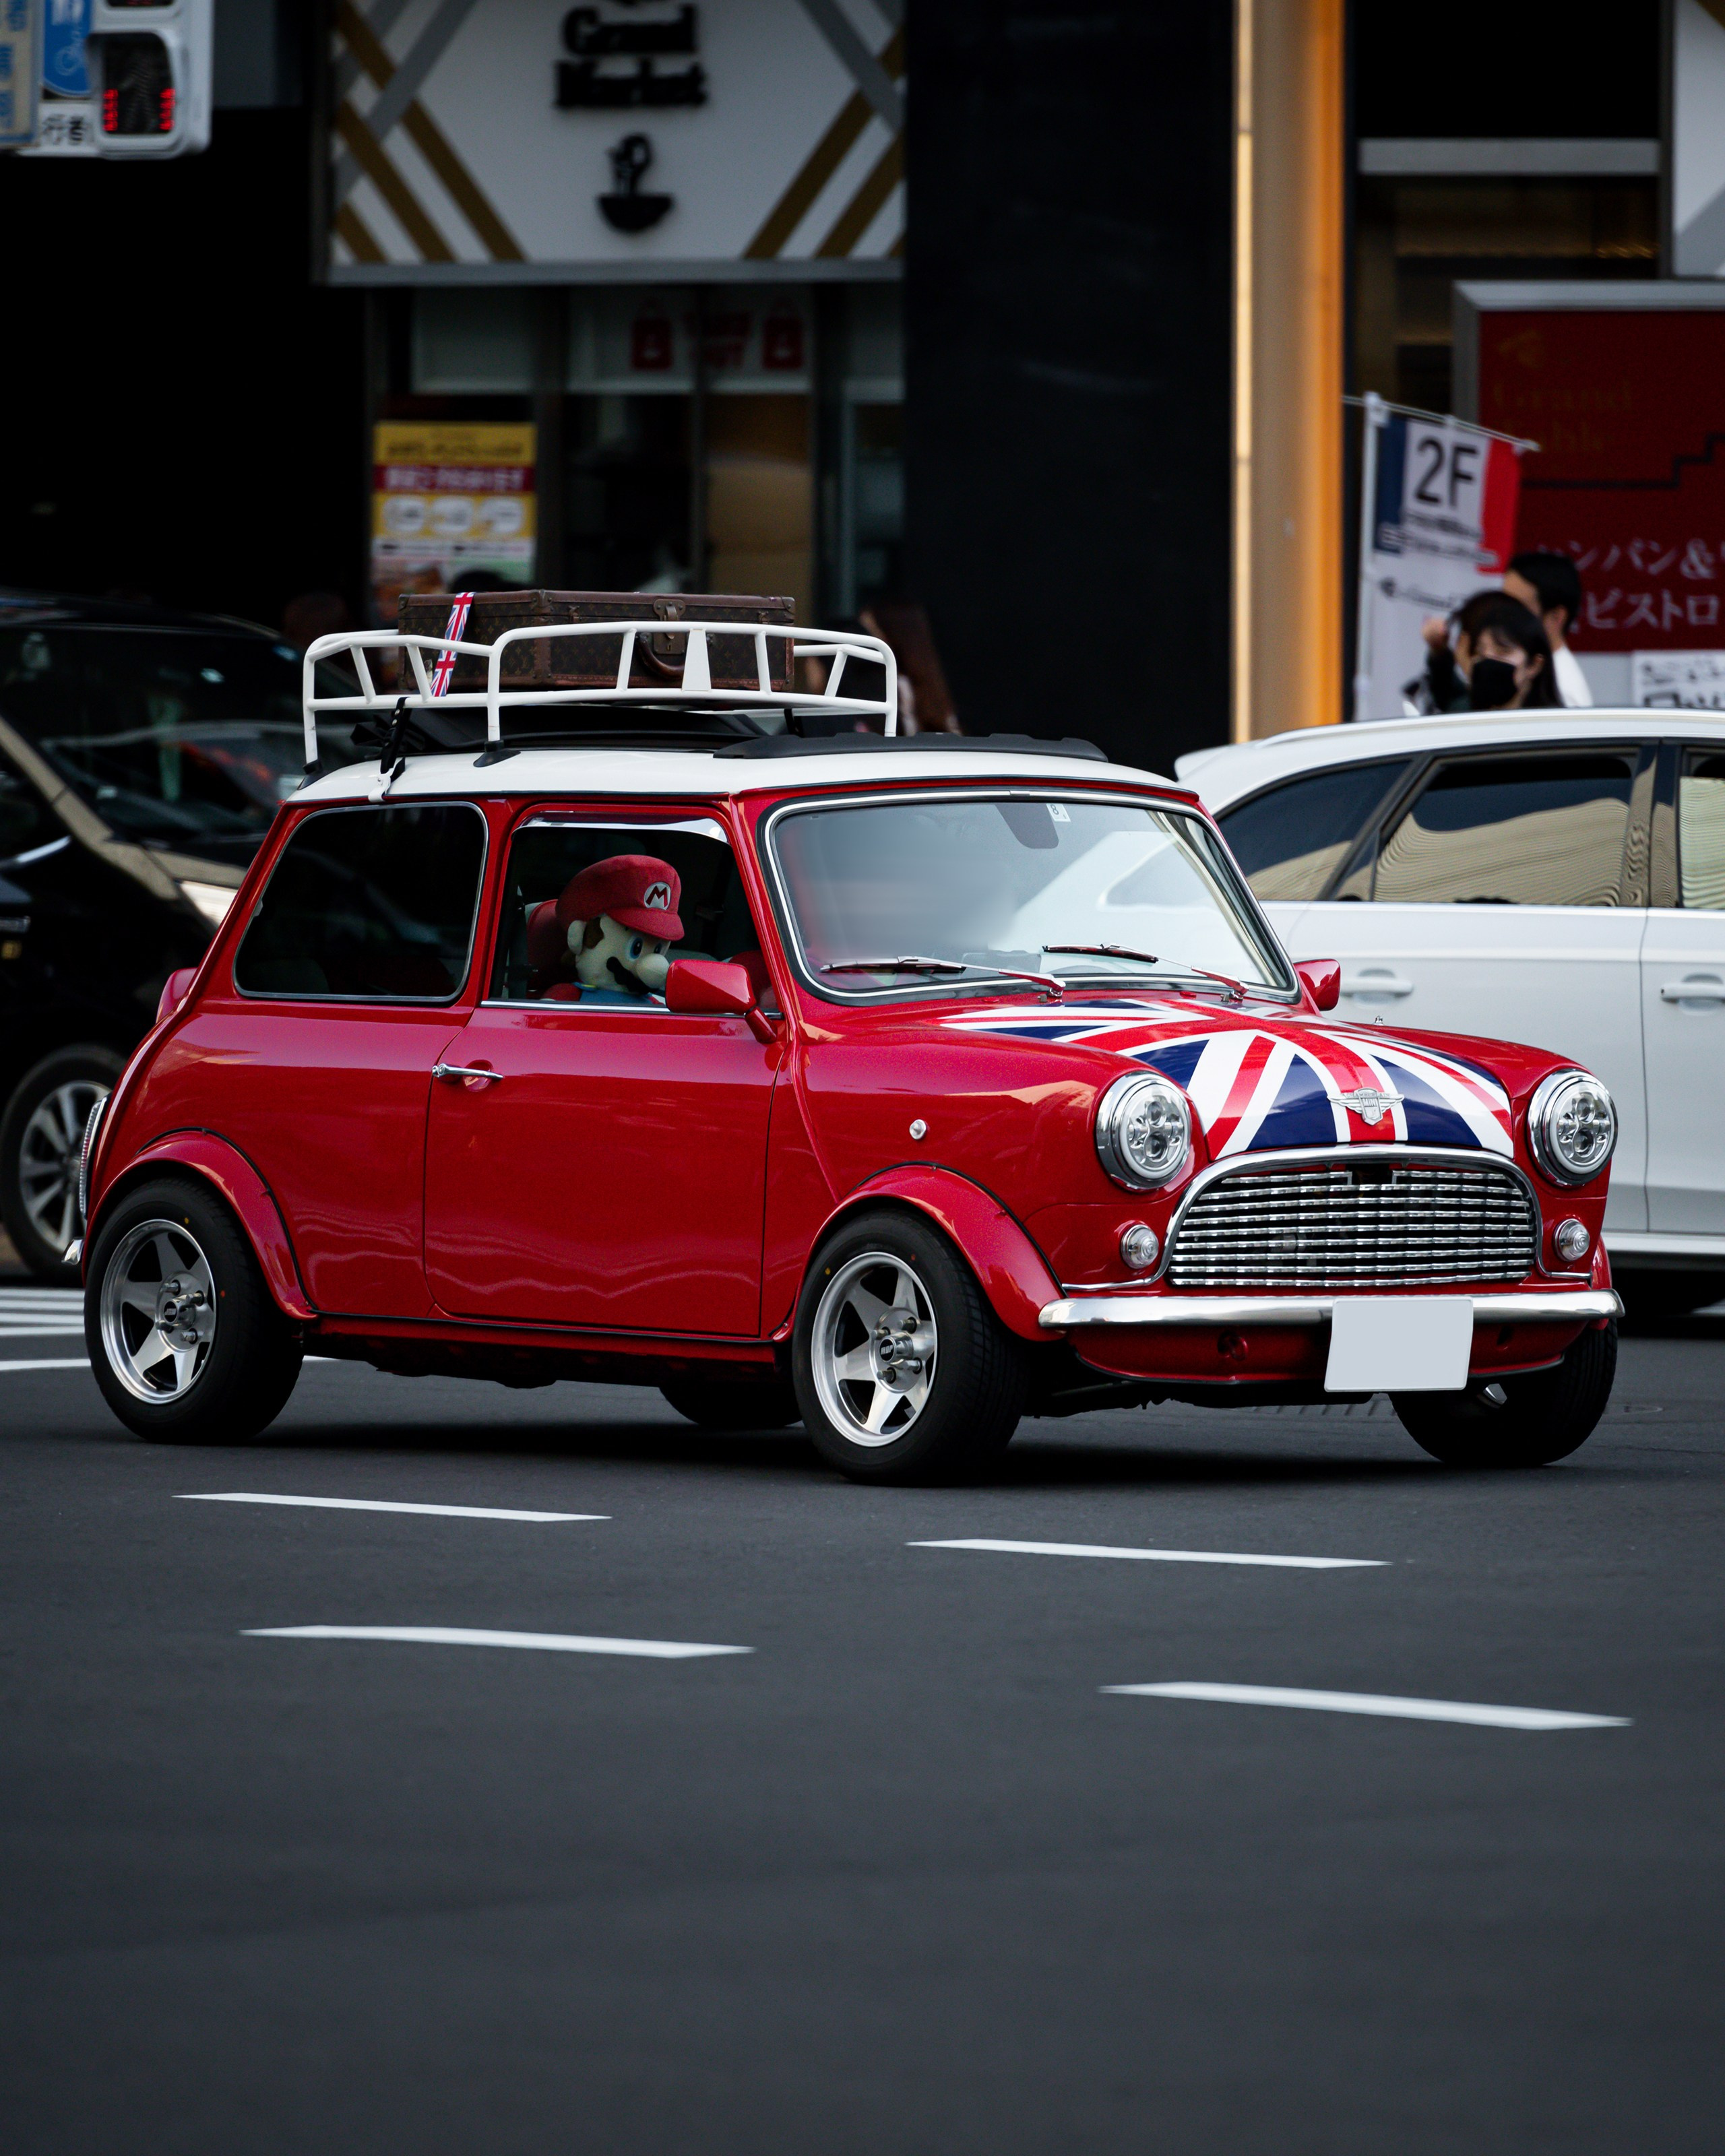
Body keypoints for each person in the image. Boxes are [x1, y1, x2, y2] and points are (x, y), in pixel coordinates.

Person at [1414, 592, 1562, 713]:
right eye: (1480, 652)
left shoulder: (1551, 729)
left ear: (1534, 665)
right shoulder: (1465, 716)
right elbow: (1447, 692)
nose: (1489, 659)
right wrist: (1439, 651)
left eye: (1503, 651)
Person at [1504, 551, 1590, 708]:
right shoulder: (1540, 671)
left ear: (1556, 617)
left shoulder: (1561, 690)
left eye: (1518, 607)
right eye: (1503, 603)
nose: (1504, 615)